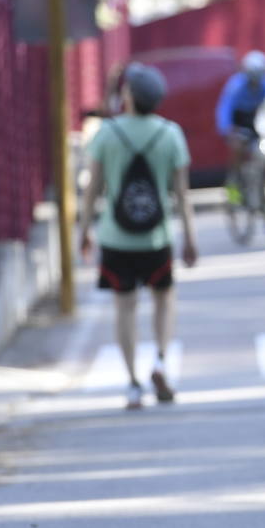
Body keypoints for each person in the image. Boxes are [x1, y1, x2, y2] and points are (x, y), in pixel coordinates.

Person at [80, 62, 199, 410]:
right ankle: (160, 361)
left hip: (116, 238)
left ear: (128, 96)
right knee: (164, 299)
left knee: (125, 307)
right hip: (156, 238)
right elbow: (182, 194)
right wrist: (190, 239)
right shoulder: (170, 134)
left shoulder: (107, 133)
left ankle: (133, 383)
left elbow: (93, 189)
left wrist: (85, 229)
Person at [213, 49, 265, 206]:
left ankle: (262, 187)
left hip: (254, 119)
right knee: (238, 151)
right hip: (237, 120)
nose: (256, 83)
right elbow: (225, 108)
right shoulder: (236, 85)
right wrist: (226, 129)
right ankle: (234, 188)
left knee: (264, 152)